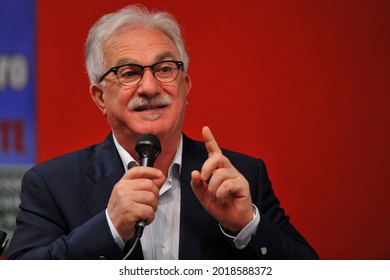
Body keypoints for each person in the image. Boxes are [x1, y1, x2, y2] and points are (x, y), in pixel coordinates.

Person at [7, 5, 318, 260]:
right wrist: (110, 227)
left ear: (185, 86)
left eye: (165, 68)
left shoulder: (245, 175)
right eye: (128, 72)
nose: (150, 87)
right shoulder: (52, 184)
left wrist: (246, 226)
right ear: (100, 97)